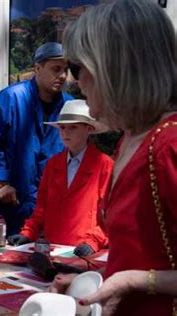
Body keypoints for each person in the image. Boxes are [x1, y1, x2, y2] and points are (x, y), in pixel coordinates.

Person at [50, 1, 177, 315]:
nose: (72, 81)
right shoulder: (131, 138)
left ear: (113, 66)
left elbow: (140, 273)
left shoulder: (169, 144)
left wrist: (134, 280)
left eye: (76, 68)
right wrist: (90, 282)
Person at [0, 42, 73, 236]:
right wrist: (2, 182)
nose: (63, 76)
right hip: (4, 201)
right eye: (56, 69)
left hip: (45, 208)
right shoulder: (10, 98)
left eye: (66, 70)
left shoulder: (70, 106)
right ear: (37, 68)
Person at [8, 99, 112, 257]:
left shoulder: (105, 165)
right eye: (62, 127)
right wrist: (28, 233)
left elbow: (110, 215)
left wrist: (94, 241)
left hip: (87, 254)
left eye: (73, 127)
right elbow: (41, 208)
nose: (65, 132)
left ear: (89, 129)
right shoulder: (53, 164)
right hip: (53, 251)